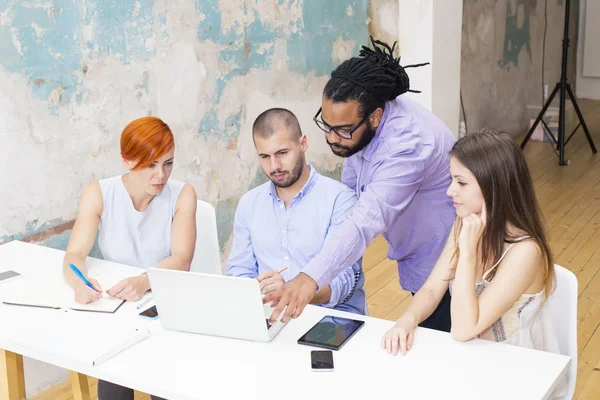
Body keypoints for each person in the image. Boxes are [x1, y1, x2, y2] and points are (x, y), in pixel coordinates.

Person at [266, 37, 456, 329]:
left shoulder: (406, 145)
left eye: (341, 130)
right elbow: (352, 198)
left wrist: (310, 277)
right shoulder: (359, 129)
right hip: (423, 254)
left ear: (375, 117)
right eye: (326, 125)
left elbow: (365, 218)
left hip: (450, 260)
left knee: (448, 348)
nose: (331, 137)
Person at [380, 131, 566, 398]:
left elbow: (463, 329)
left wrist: (467, 252)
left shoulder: (526, 252)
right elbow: (433, 288)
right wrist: (407, 319)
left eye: (461, 183)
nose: (450, 191)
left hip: (517, 370)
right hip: (473, 359)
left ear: (494, 187)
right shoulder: (466, 222)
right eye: (451, 179)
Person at [62, 116, 197, 400]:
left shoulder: (183, 195)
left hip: (165, 305)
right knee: (114, 379)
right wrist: (79, 284)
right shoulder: (99, 193)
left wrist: (144, 281)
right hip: (119, 310)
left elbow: (183, 259)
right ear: (127, 160)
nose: (161, 175)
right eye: (150, 164)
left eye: (168, 163)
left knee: (164, 385)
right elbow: (74, 255)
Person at [227, 108, 365, 315]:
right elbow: (239, 271)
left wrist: (290, 291)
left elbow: (344, 283)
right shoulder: (249, 204)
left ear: (303, 143)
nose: (274, 166)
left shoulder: (340, 200)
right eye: (265, 156)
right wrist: (259, 290)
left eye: (282, 153)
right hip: (268, 313)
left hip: (329, 317)